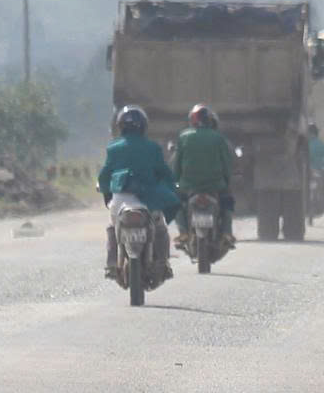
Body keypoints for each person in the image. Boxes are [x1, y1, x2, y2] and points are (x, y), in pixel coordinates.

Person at [98, 106, 178, 278]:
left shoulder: (113, 148)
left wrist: (105, 191)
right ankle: (163, 263)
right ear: (143, 126)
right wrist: (170, 188)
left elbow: (104, 176)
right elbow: (164, 173)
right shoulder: (153, 148)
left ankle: (111, 264)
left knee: (113, 228)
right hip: (148, 201)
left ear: (120, 126)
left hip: (120, 200)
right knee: (160, 228)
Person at [171, 103, 236, 244]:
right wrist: (227, 181)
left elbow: (177, 164)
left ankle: (183, 232)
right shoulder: (219, 138)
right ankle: (226, 232)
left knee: (176, 203)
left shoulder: (184, 137)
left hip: (188, 186)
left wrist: (175, 182)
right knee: (227, 202)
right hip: (215, 186)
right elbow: (227, 164)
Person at [305, 120, 324, 214]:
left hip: (306, 171)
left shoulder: (304, 144)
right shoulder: (320, 144)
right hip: (318, 170)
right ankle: (323, 205)